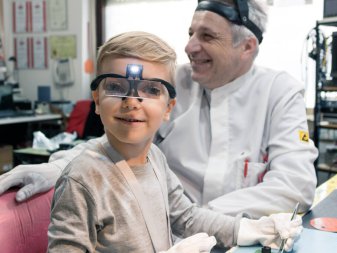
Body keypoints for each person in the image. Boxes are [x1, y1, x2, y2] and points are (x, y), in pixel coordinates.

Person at [0, 0, 318, 219]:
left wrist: (204, 219)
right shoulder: (171, 82)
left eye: (207, 36)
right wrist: (57, 169)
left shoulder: (280, 92)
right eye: (191, 33)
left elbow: (295, 186)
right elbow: (114, 146)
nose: (190, 47)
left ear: (246, 47)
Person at [47, 31, 302, 253]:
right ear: (97, 99)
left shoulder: (155, 158)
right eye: (116, 86)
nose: (131, 101)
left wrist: (249, 229)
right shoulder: (81, 181)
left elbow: (186, 217)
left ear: (169, 107)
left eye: (151, 90)